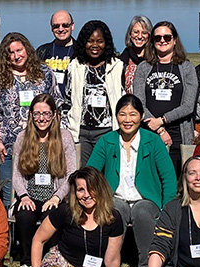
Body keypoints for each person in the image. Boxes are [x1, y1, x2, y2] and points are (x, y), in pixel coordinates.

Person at [86, 94, 176, 267]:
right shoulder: (107, 141)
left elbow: (168, 178)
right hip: (116, 197)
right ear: (116, 116)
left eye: (133, 114)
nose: (127, 119)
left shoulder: (153, 141)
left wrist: (168, 210)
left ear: (142, 116)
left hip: (146, 199)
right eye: (122, 114)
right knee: (115, 211)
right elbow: (90, 173)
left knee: (142, 212)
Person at [22, 168, 123, 267]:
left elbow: (112, 259)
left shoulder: (114, 218)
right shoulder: (65, 211)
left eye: (91, 189)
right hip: (61, 264)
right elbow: (38, 240)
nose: (86, 195)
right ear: (75, 193)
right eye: (81, 190)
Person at [0, 32, 59, 207]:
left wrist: (55, 137)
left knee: (39, 194)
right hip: (9, 147)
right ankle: (8, 225)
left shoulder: (44, 73)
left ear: (27, 49)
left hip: (41, 145)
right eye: (11, 53)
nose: (16, 56)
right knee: (9, 195)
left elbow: (56, 106)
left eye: (19, 50)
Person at [12, 94, 77, 267]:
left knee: (54, 216)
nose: (41, 118)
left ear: (54, 114)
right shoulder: (22, 137)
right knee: (24, 216)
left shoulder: (64, 137)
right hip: (30, 195)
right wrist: (24, 196)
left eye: (46, 113)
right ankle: (27, 262)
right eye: (37, 114)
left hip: (55, 196)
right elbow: (16, 175)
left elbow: (72, 174)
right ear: (31, 115)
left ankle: (50, 260)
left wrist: (57, 197)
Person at [132, 20, 198, 171]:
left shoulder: (186, 68)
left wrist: (162, 120)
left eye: (167, 37)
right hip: (149, 130)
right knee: (150, 174)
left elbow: (188, 105)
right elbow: (139, 102)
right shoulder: (143, 67)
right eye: (158, 38)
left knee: (177, 175)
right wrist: (159, 129)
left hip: (179, 132)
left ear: (175, 40)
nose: (162, 41)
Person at [66, 19, 123, 164]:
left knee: (106, 172)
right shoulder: (75, 66)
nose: (95, 45)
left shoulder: (116, 66)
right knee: (85, 173)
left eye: (100, 41)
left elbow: (124, 99)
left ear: (106, 43)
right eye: (90, 41)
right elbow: (67, 99)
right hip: (81, 133)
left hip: (107, 132)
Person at [36, 10, 75, 98]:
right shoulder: (42, 51)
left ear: (72, 26)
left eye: (65, 25)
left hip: (72, 102)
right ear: (51, 28)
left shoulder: (80, 51)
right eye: (56, 26)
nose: (61, 29)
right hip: (48, 103)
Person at [121, 15, 152, 91]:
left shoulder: (154, 58)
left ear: (149, 36)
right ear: (130, 34)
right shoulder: (122, 60)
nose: (140, 36)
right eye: (136, 32)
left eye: (144, 33)